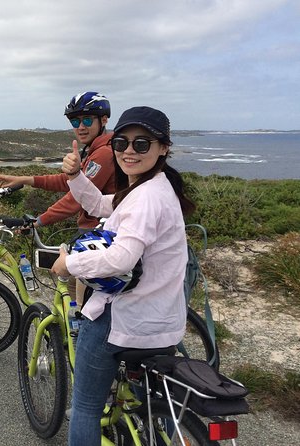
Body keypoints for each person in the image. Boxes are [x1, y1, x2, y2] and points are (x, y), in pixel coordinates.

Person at [50, 106, 196, 446]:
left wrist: (68, 265)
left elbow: (120, 258)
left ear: (163, 148)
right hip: (161, 324)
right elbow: (104, 205)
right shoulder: (153, 188)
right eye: (122, 142)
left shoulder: (145, 197)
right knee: (151, 404)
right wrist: (75, 178)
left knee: (86, 407)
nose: (129, 151)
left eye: (142, 144)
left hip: (122, 322)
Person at [0, 91, 115, 229]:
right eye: (75, 121)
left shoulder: (104, 153)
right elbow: (71, 182)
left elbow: (76, 198)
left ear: (104, 120)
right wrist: (25, 179)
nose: (80, 127)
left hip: (99, 230)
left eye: (87, 120)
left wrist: (38, 222)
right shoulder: (98, 148)